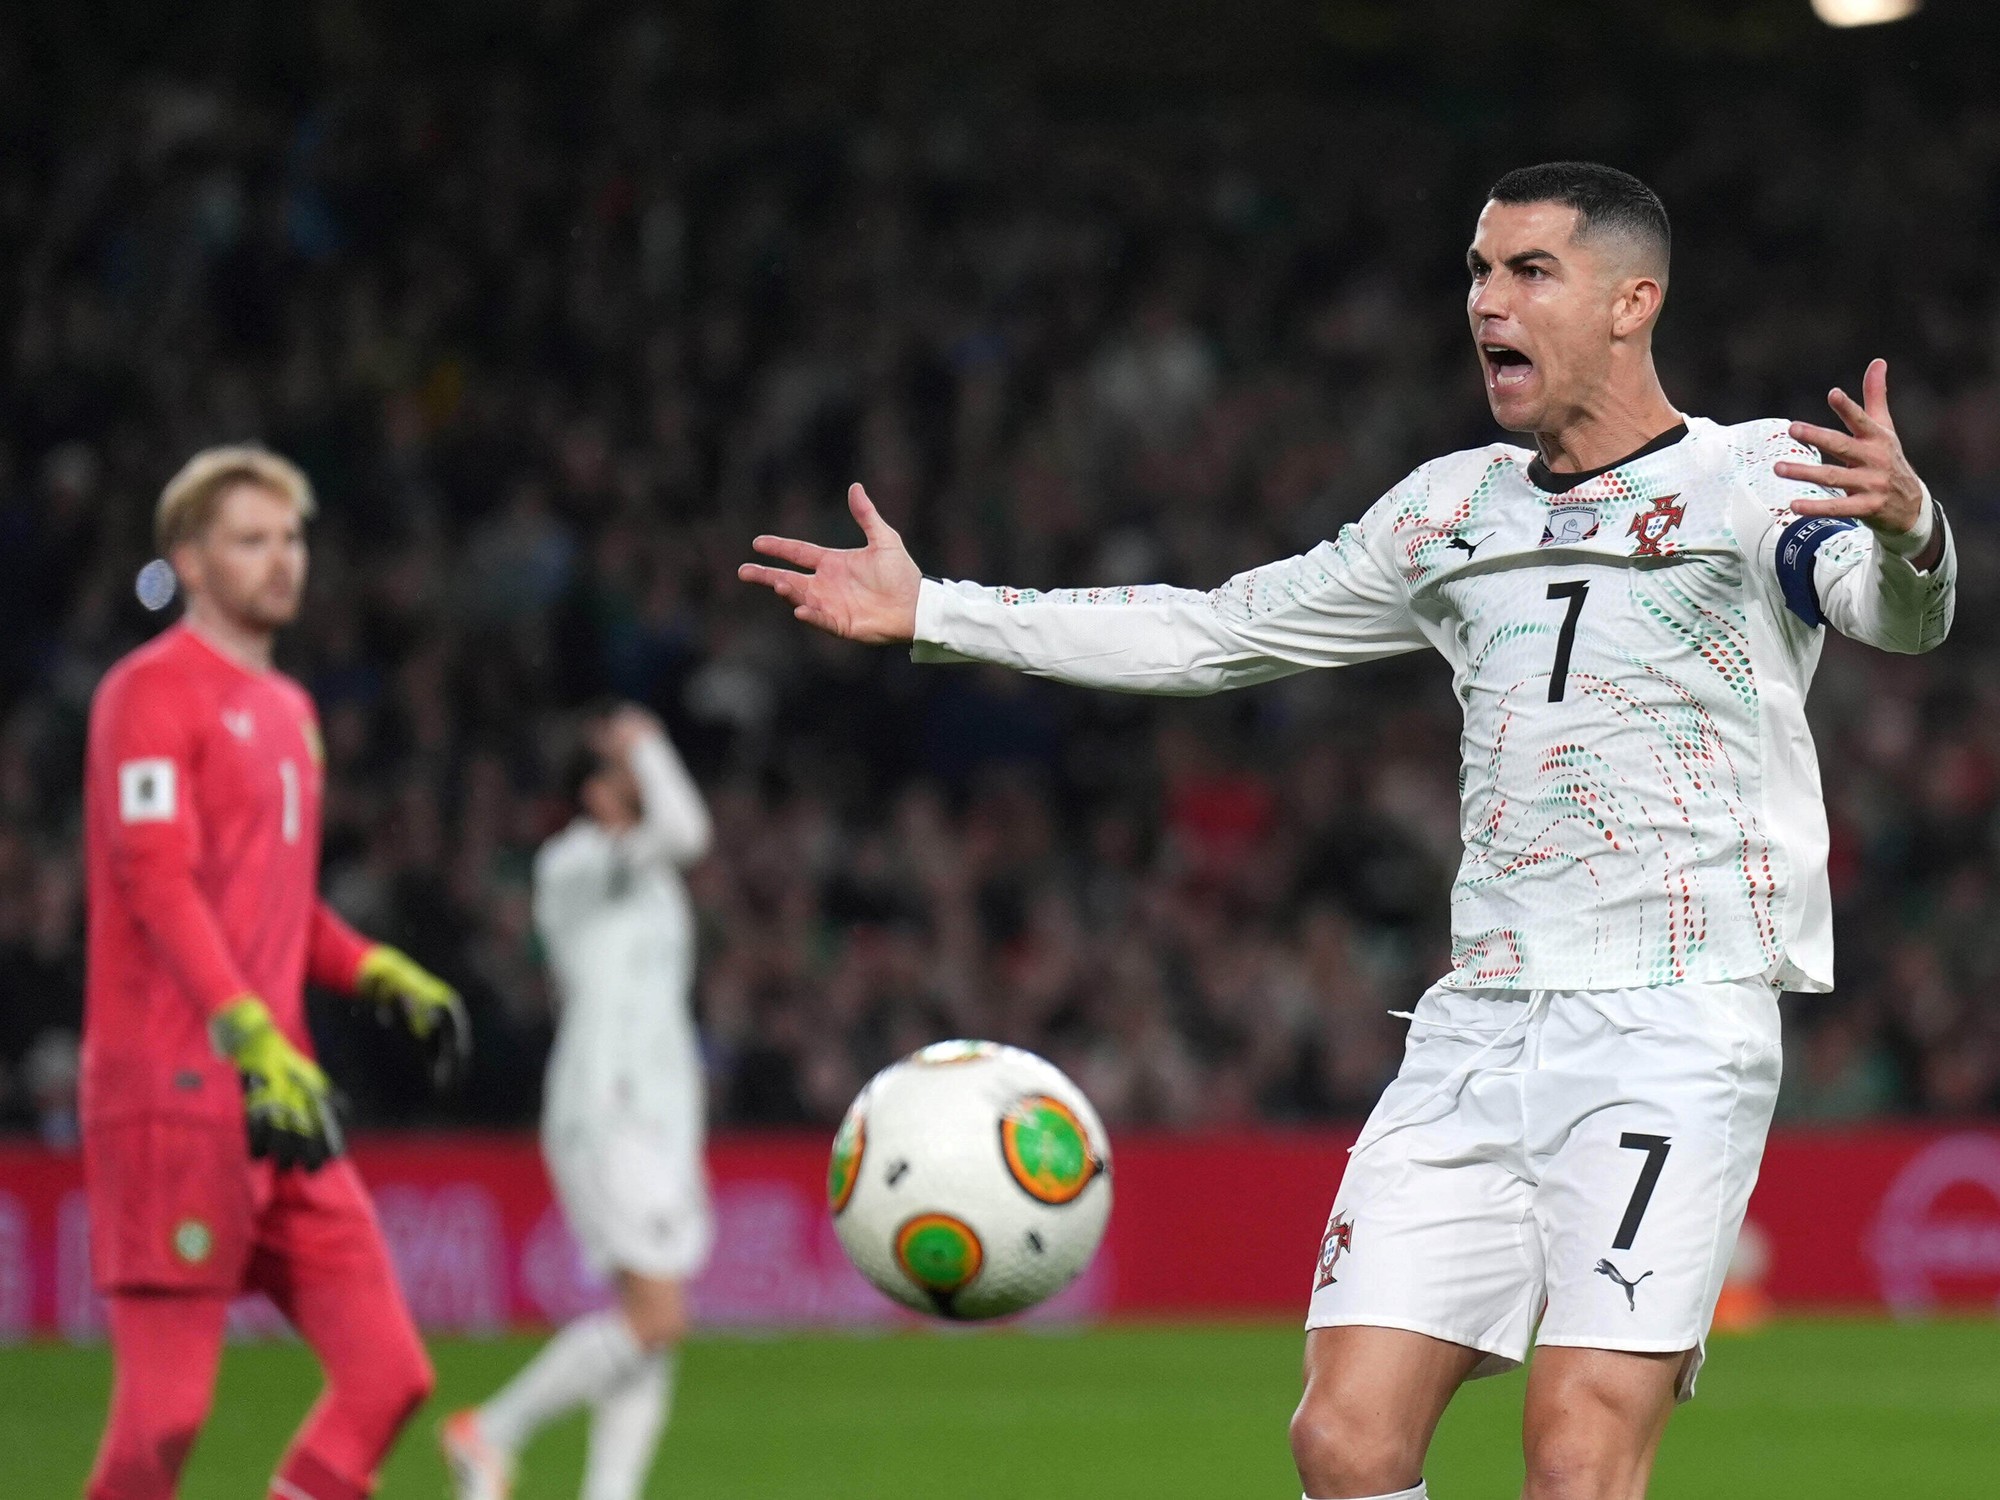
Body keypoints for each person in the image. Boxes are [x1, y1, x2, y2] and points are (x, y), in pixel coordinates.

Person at [739, 162, 1956, 1500]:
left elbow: (1894, 615)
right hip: (1482, 1021)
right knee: (1344, 1443)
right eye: (1478, 272)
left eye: (1529, 272)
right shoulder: (1446, 511)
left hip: (1673, 1022)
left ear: (1631, 302)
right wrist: (938, 610)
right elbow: (1215, 632)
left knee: (1577, 1461)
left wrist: (1913, 533)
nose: (1487, 301)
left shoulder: (1748, 475)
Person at [82, 445, 470, 1500]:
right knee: (163, 1421)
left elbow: (278, 905)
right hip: (174, 1095)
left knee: (388, 1378)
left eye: (291, 537)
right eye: (250, 540)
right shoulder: (146, 694)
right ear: (189, 561)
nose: (281, 559)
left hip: (282, 1097)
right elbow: (157, 882)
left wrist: (377, 970)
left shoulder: (292, 708)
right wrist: (245, 1029)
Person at [442, 704, 712, 1500]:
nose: (645, 778)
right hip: (607, 1105)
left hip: (660, 1113)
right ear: (595, 792)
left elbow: (677, 840)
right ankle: (491, 1431)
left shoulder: (650, 879)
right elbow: (690, 831)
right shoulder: (575, 864)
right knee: (657, 1316)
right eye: (625, 770)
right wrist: (650, 742)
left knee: (651, 1327)